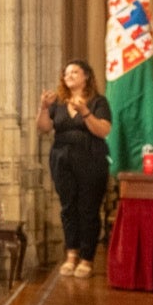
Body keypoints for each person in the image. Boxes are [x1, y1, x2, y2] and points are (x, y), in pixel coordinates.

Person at [36, 59, 112, 278]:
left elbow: (103, 130)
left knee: (88, 209)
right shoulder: (59, 103)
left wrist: (85, 112)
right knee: (68, 208)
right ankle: (71, 254)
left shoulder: (98, 102)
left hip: (91, 159)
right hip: (62, 160)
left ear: (86, 76)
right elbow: (43, 128)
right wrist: (43, 108)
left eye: (74, 72)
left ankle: (87, 258)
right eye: (66, 72)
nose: (68, 75)